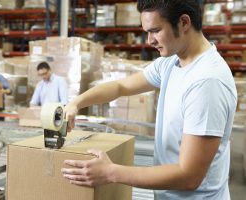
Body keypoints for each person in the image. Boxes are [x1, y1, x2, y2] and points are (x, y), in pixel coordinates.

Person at [61, 0, 237, 199]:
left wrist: (111, 172)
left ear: (184, 22)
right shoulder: (171, 62)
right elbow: (121, 86)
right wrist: (76, 103)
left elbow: (189, 176)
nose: (149, 40)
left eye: (155, 30)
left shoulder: (207, 82)